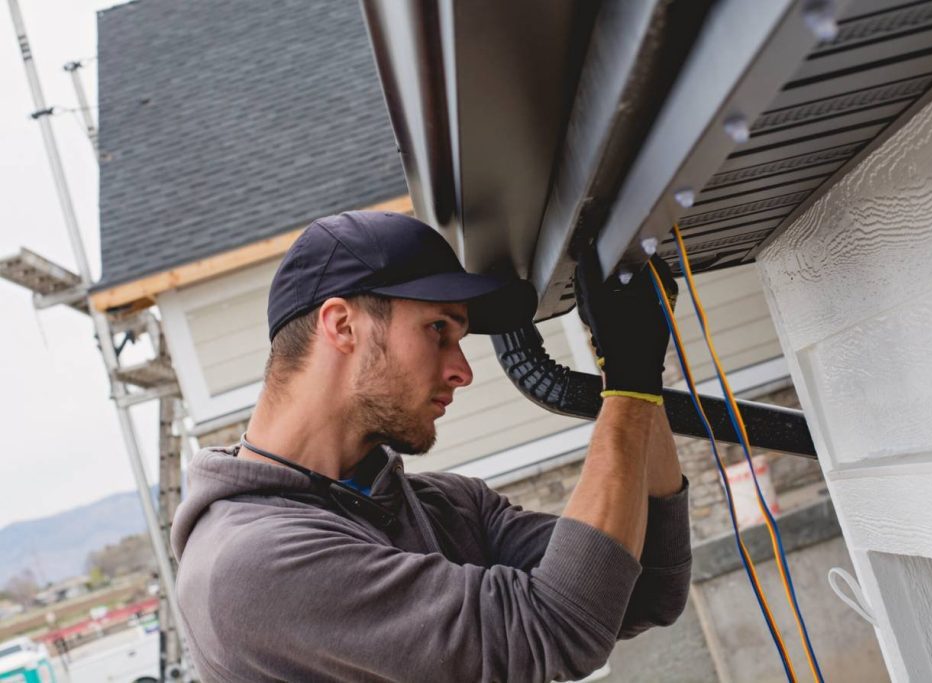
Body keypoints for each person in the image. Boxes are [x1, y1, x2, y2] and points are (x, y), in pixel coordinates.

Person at [171, 211, 692, 682]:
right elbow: (554, 631)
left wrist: (635, 376)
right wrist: (630, 380)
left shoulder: (446, 507)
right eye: (437, 328)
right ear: (342, 325)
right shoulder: (252, 564)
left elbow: (648, 587)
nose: (461, 371)